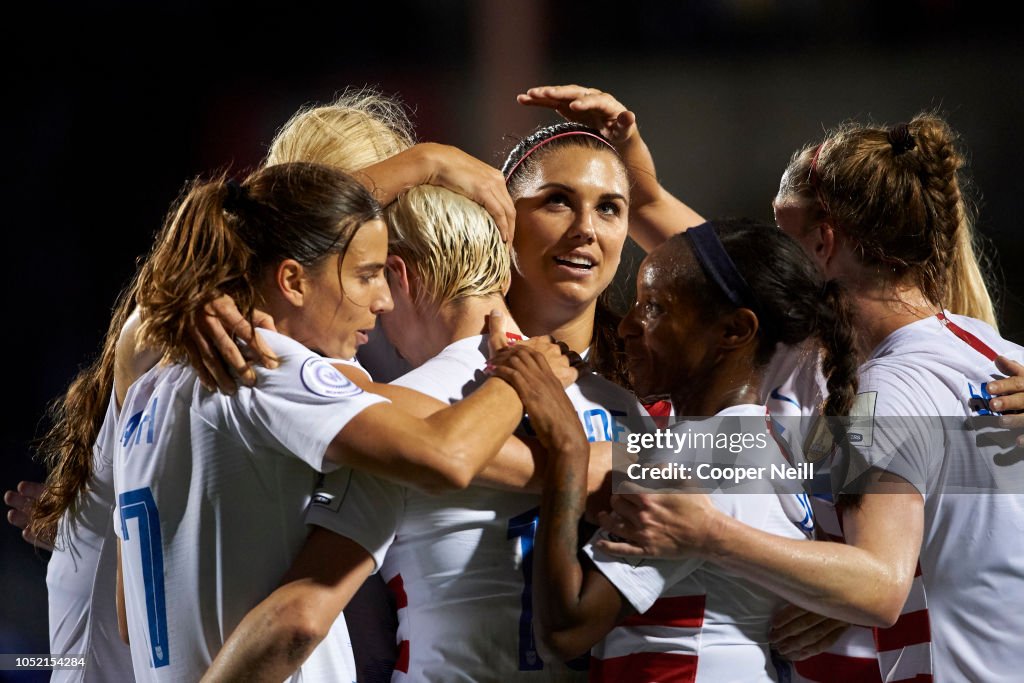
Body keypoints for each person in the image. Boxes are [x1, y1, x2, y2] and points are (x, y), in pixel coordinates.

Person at [593, 114, 1024, 682]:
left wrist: (710, 534)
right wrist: (823, 578)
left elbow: (879, 582)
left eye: (780, 233)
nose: (768, 258)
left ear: (822, 242)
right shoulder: (988, 351)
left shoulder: (885, 387)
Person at [111, 160, 573, 682]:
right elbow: (300, 616)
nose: (380, 300)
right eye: (366, 274)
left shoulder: (147, 389)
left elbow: (130, 614)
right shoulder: (275, 370)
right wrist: (525, 385)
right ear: (291, 279)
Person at [205, 184, 644, 682]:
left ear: (399, 275)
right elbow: (695, 466)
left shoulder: (386, 416)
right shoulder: (619, 406)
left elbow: (304, 612)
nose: (378, 308)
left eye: (374, 277)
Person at [526, 218, 858, 682]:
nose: (625, 327)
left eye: (654, 308)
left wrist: (567, 448)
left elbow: (565, 631)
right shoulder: (770, 442)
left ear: (734, 331)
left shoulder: (703, 453)